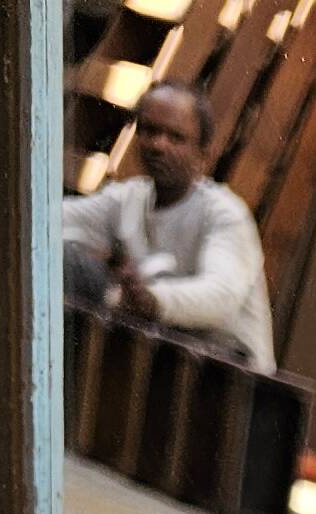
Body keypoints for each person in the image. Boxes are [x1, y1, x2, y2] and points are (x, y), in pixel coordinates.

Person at [62, 83, 274, 370]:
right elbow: (50, 220)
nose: (158, 145)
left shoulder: (225, 214)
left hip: (229, 374)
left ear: (203, 153)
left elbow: (220, 297)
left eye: (176, 137)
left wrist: (151, 301)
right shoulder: (128, 199)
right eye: (149, 131)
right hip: (164, 360)